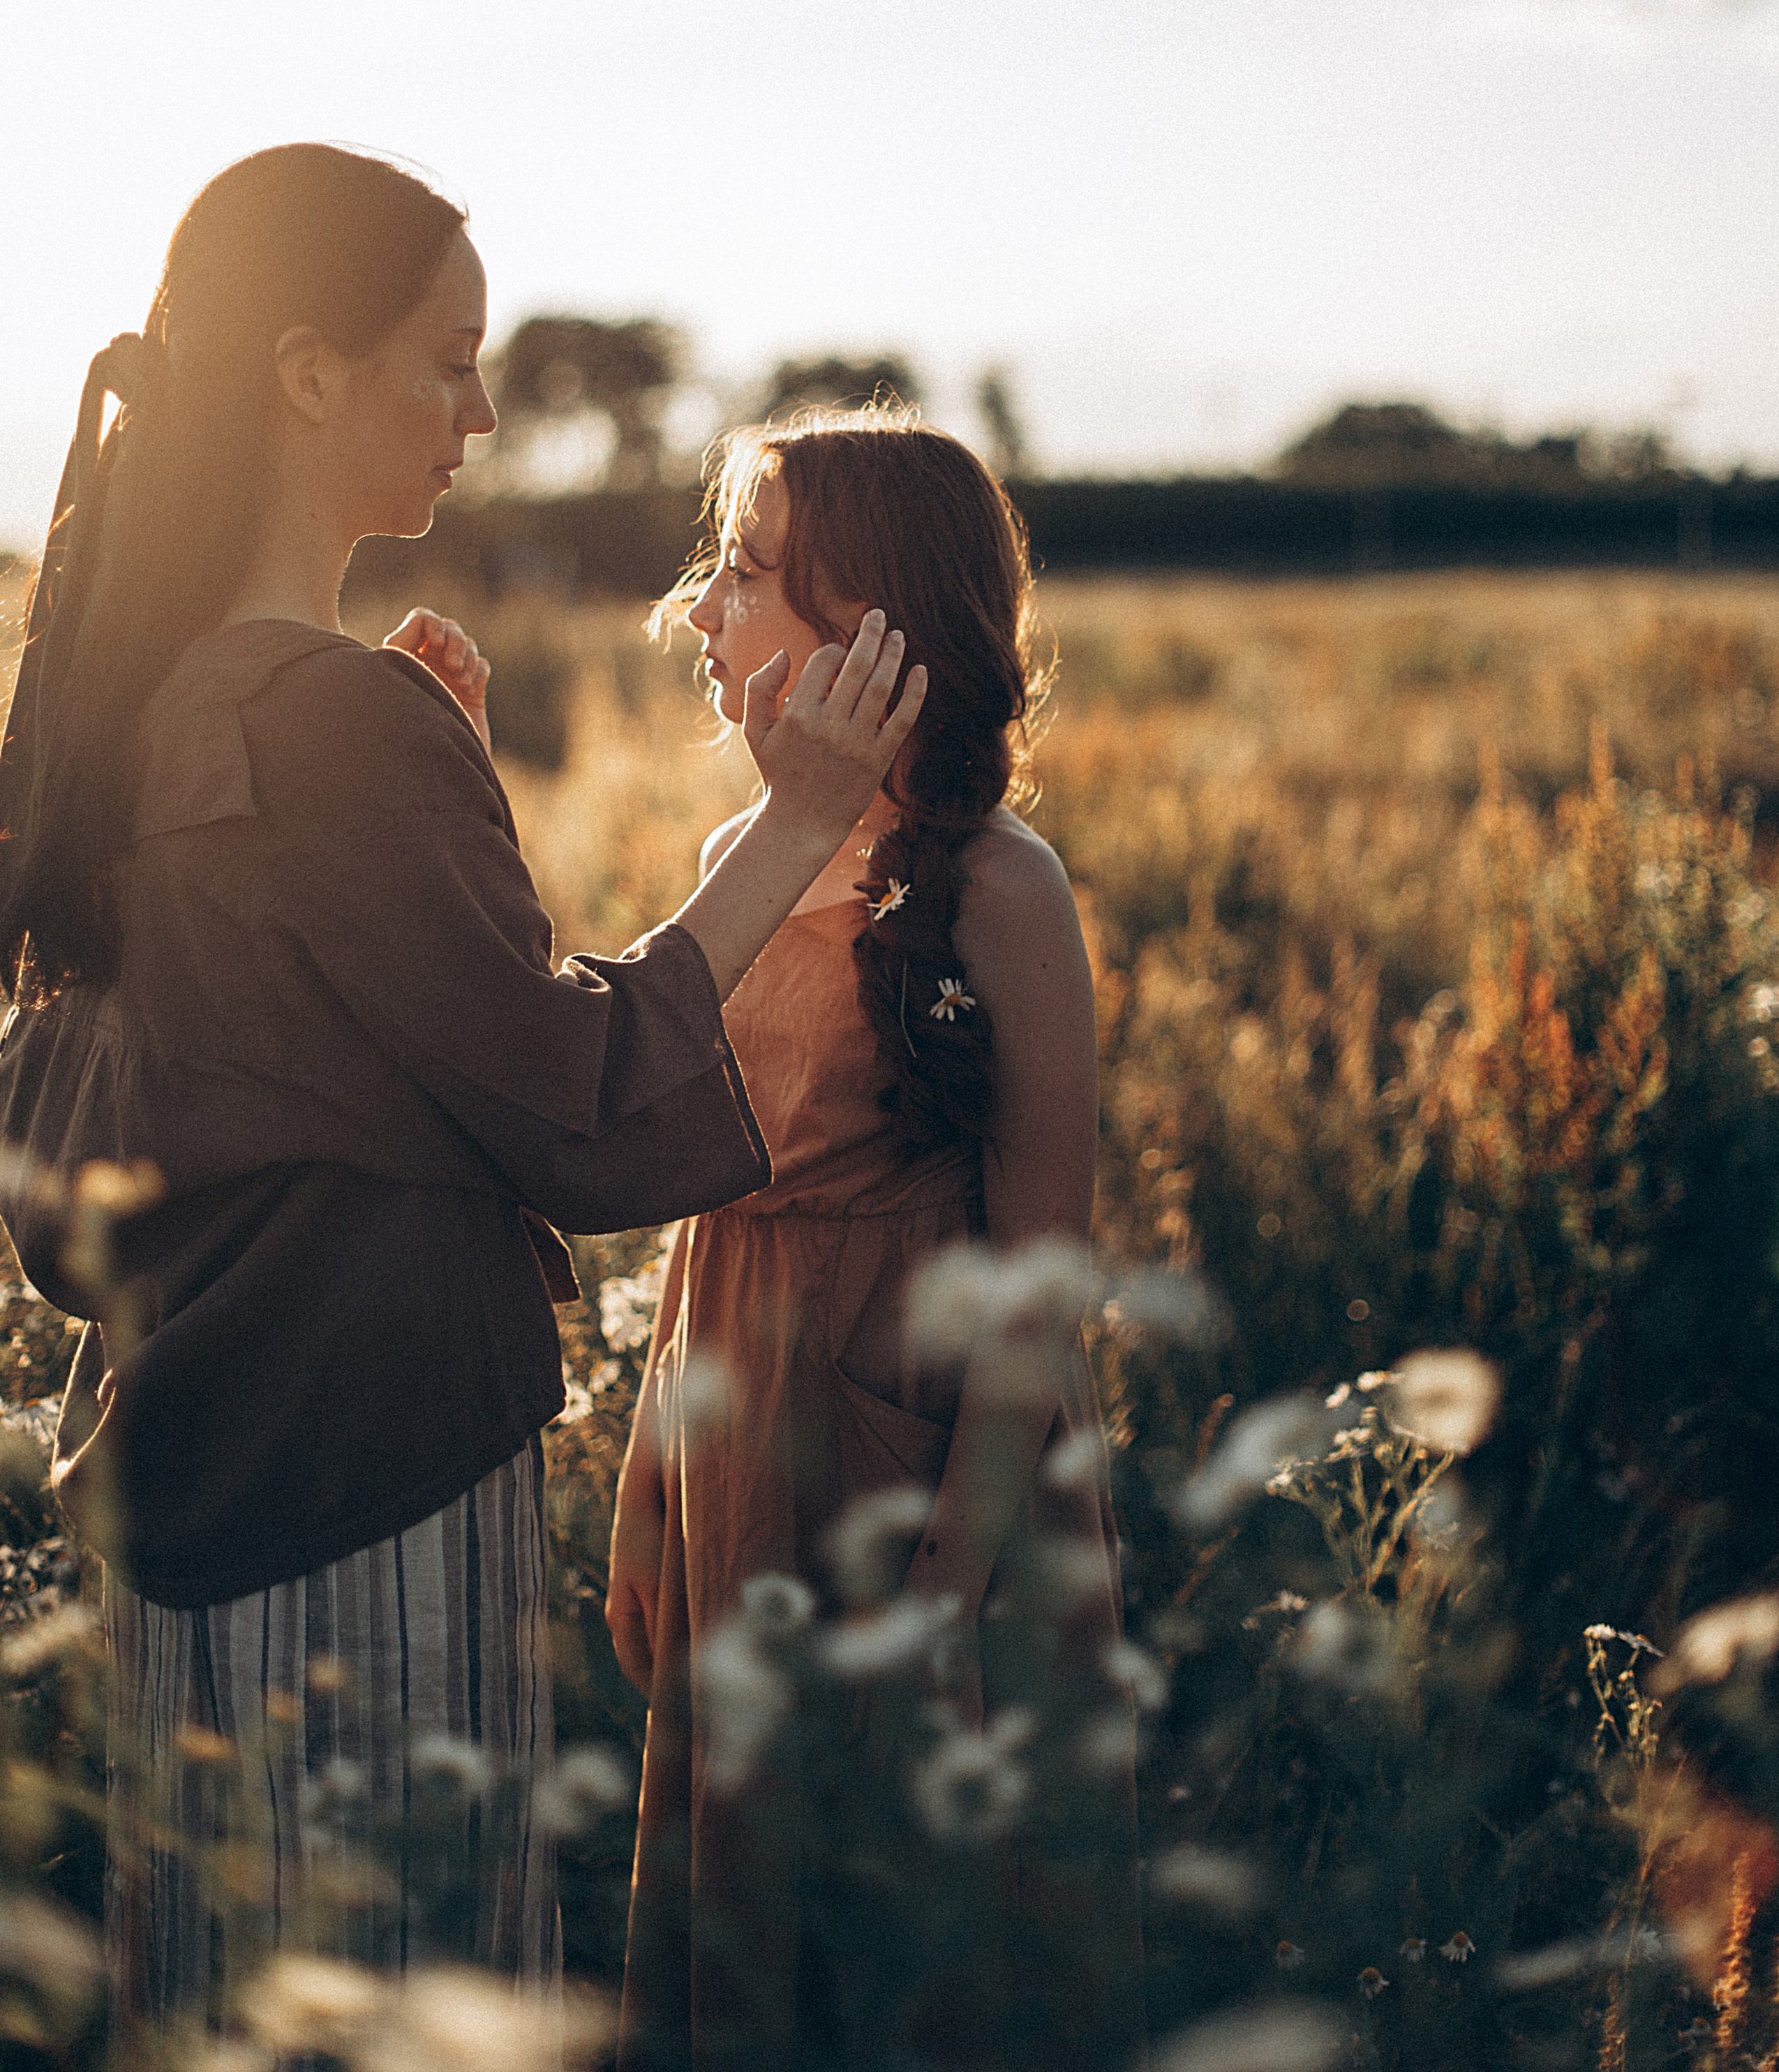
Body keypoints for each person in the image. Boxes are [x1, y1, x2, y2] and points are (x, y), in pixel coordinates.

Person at [0, 145, 925, 2030]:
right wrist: (800, 822)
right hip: (367, 1462)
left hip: (204, 1462)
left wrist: (437, 784)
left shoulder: (159, 696)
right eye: (444, 362)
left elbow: (335, 1046)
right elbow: (562, 1097)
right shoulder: (330, 719)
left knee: (240, 1992)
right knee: (408, 2000)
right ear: (305, 372)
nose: (481, 417)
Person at [606, 413, 1142, 2072]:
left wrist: (948, 1584)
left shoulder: (998, 887)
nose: (700, 611)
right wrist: (647, 1472)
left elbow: (1039, 1274)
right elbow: (700, 1193)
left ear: (879, 635)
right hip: (731, 1419)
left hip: (912, 1449)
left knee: (917, 1905)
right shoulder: (736, 860)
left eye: (749, 574)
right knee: (754, 1880)